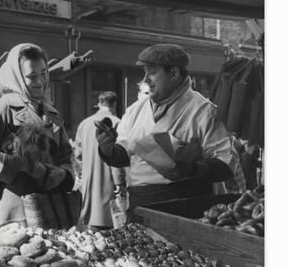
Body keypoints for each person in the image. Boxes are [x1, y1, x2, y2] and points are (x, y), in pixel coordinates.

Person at [96, 43, 238, 216]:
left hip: (186, 204)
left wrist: (193, 169)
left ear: (174, 73)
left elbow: (227, 163)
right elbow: (123, 156)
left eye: (153, 72)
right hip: (141, 203)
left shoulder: (204, 110)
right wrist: (107, 147)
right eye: (145, 72)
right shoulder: (136, 109)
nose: (146, 79)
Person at [0, 43, 75, 231]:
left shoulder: (51, 112)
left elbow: (64, 156)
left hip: (49, 213)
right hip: (13, 216)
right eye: (31, 76)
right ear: (18, 77)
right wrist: (17, 167)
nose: (39, 81)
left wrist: (62, 173)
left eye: (43, 73)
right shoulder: (5, 106)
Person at [75, 91, 125, 228]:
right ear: (114, 104)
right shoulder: (117, 123)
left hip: (88, 181)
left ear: (99, 104)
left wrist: (81, 175)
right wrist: (119, 182)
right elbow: (118, 156)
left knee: (91, 226)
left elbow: (77, 155)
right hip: (108, 182)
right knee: (110, 226)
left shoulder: (84, 124)